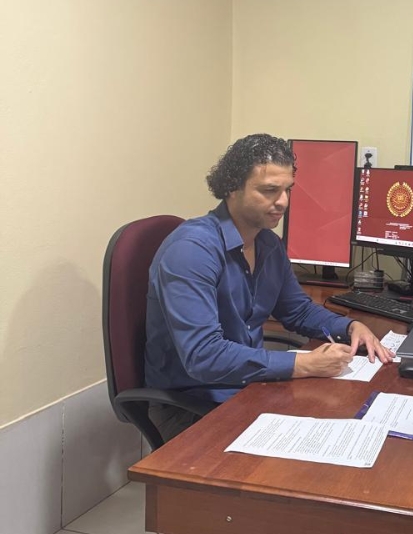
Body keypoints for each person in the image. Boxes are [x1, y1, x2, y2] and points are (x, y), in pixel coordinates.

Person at [145, 134, 392, 440]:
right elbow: (203, 356)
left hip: (246, 389)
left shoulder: (268, 243)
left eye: (288, 190)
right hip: (193, 404)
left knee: (354, 424)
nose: (283, 202)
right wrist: (304, 363)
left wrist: (350, 326)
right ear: (232, 187)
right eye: (269, 190)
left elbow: (297, 310)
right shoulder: (192, 250)